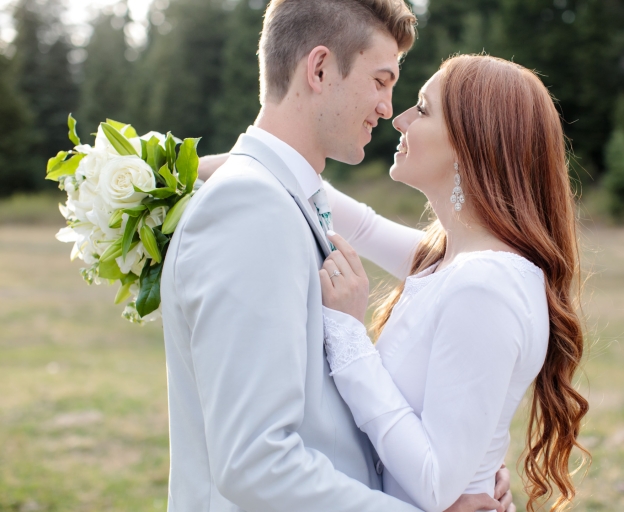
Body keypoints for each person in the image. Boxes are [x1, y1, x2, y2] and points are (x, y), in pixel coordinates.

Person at [162, 0, 512, 510]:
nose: (389, 109)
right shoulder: (250, 207)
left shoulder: (285, 197)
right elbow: (257, 462)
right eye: (381, 80)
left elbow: (321, 423)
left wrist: (459, 476)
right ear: (320, 69)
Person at [316, 55, 590, 512]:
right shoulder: (448, 262)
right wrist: (181, 170)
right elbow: (357, 223)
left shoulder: (485, 285)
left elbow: (435, 482)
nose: (399, 119)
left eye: (421, 109)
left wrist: (347, 334)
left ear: (470, 144)